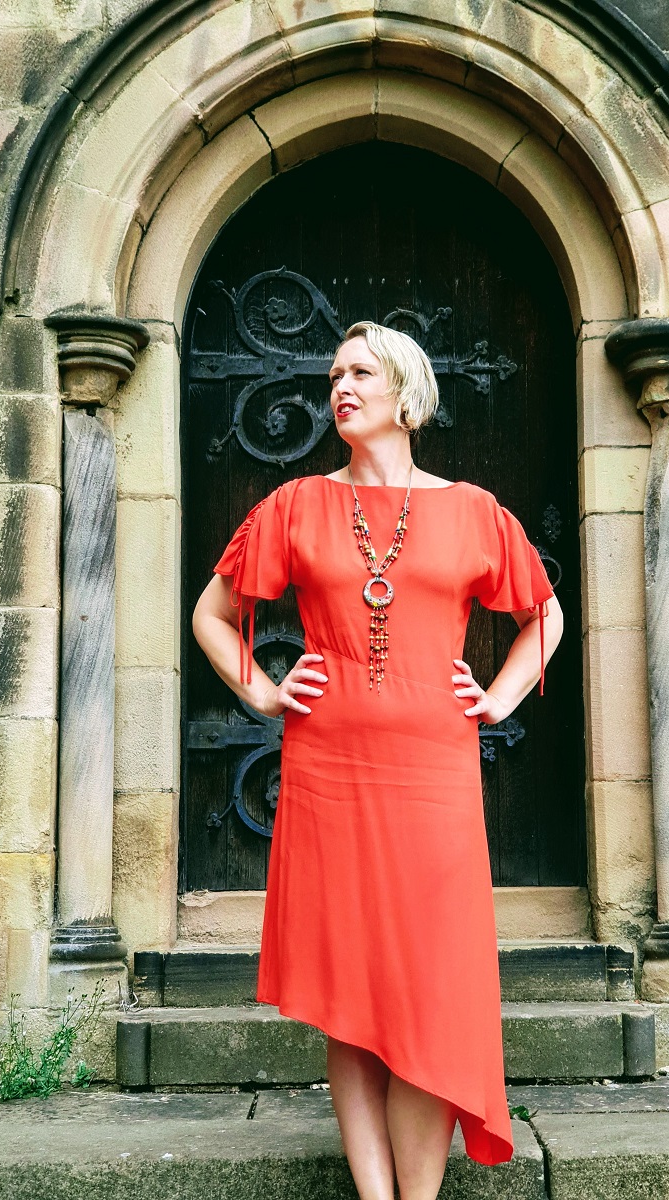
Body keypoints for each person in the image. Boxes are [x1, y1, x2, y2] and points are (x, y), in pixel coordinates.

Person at [192, 320, 563, 1200]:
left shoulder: (474, 510)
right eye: (333, 375)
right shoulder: (291, 506)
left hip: (435, 770)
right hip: (326, 768)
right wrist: (264, 690)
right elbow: (211, 614)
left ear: (407, 392)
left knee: (430, 985)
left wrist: (500, 697)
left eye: (360, 372)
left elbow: (543, 617)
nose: (340, 387)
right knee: (349, 991)